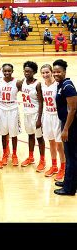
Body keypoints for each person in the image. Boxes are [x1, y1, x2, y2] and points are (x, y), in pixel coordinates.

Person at [53, 59, 77, 196]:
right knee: (70, 155)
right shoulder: (61, 84)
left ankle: (69, 188)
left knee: (71, 156)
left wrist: (66, 128)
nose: (56, 74)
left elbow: (73, 109)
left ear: (65, 72)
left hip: (71, 124)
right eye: (54, 71)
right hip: (67, 123)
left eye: (59, 72)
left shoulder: (68, 86)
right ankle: (70, 181)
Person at [40, 64, 65, 181]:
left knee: (60, 144)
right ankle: (54, 166)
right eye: (43, 73)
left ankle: (63, 168)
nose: (45, 75)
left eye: (47, 72)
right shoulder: (42, 86)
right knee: (51, 141)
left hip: (57, 117)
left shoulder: (57, 85)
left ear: (51, 72)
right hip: (47, 116)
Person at [21, 61, 46, 172]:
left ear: (34, 72)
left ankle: (42, 161)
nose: (27, 73)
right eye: (25, 71)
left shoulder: (37, 84)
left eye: (29, 72)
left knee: (39, 138)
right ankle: (31, 157)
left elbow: (41, 102)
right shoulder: (22, 82)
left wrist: (39, 119)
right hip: (26, 114)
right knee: (30, 135)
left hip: (35, 114)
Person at [0, 63, 22, 166]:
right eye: (5, 71)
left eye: (9, 71)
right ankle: (5, 153)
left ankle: (14, 154)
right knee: (4, 133)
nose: (7, 73)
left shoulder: (17, 82)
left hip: (13, 110)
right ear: (2, 71)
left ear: (12, 71)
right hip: (2, 110)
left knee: (14, 134)